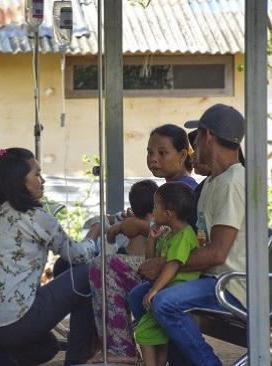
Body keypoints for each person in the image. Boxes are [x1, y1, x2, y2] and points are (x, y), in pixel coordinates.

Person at [120, 104, 247, 366]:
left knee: (164, 303)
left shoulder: (233, 182)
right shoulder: (214, 181)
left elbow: (217, 252)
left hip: (231, 285)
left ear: (208, 136)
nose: (194, 146)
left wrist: (166, 265)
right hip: (208, 278)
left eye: (196, 136)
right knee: (138, 296)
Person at [0, 148, 103, 366]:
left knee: (46, 347)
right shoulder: (36, 218)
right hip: (12, 323)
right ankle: (76, 362)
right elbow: (78, 255)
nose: (43, 180)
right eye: (37, 174)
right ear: (20, 181)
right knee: (88, 274)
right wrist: (95, 230)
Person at [88, 123, 196, 364]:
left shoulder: (184, 191)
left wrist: (140, 226)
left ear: (182, 155)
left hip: (175, 271)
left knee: (104, 267)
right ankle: (111, 345)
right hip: (161, 263)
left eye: (162, 152)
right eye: (150, 153)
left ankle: (120, 347)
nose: (153, 159)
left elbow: (183, 233)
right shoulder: (169, 188)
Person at [126, 182, 200, 366]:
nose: (152, 211)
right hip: (167, 287)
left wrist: (154, 290)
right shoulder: (169, 234)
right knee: (158, 337)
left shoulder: (184, 235)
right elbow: (150, 262)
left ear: (169, 213)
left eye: (155, 206)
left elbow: (172, 265)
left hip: (176, 288)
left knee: (142, 331)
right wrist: (152, 238)